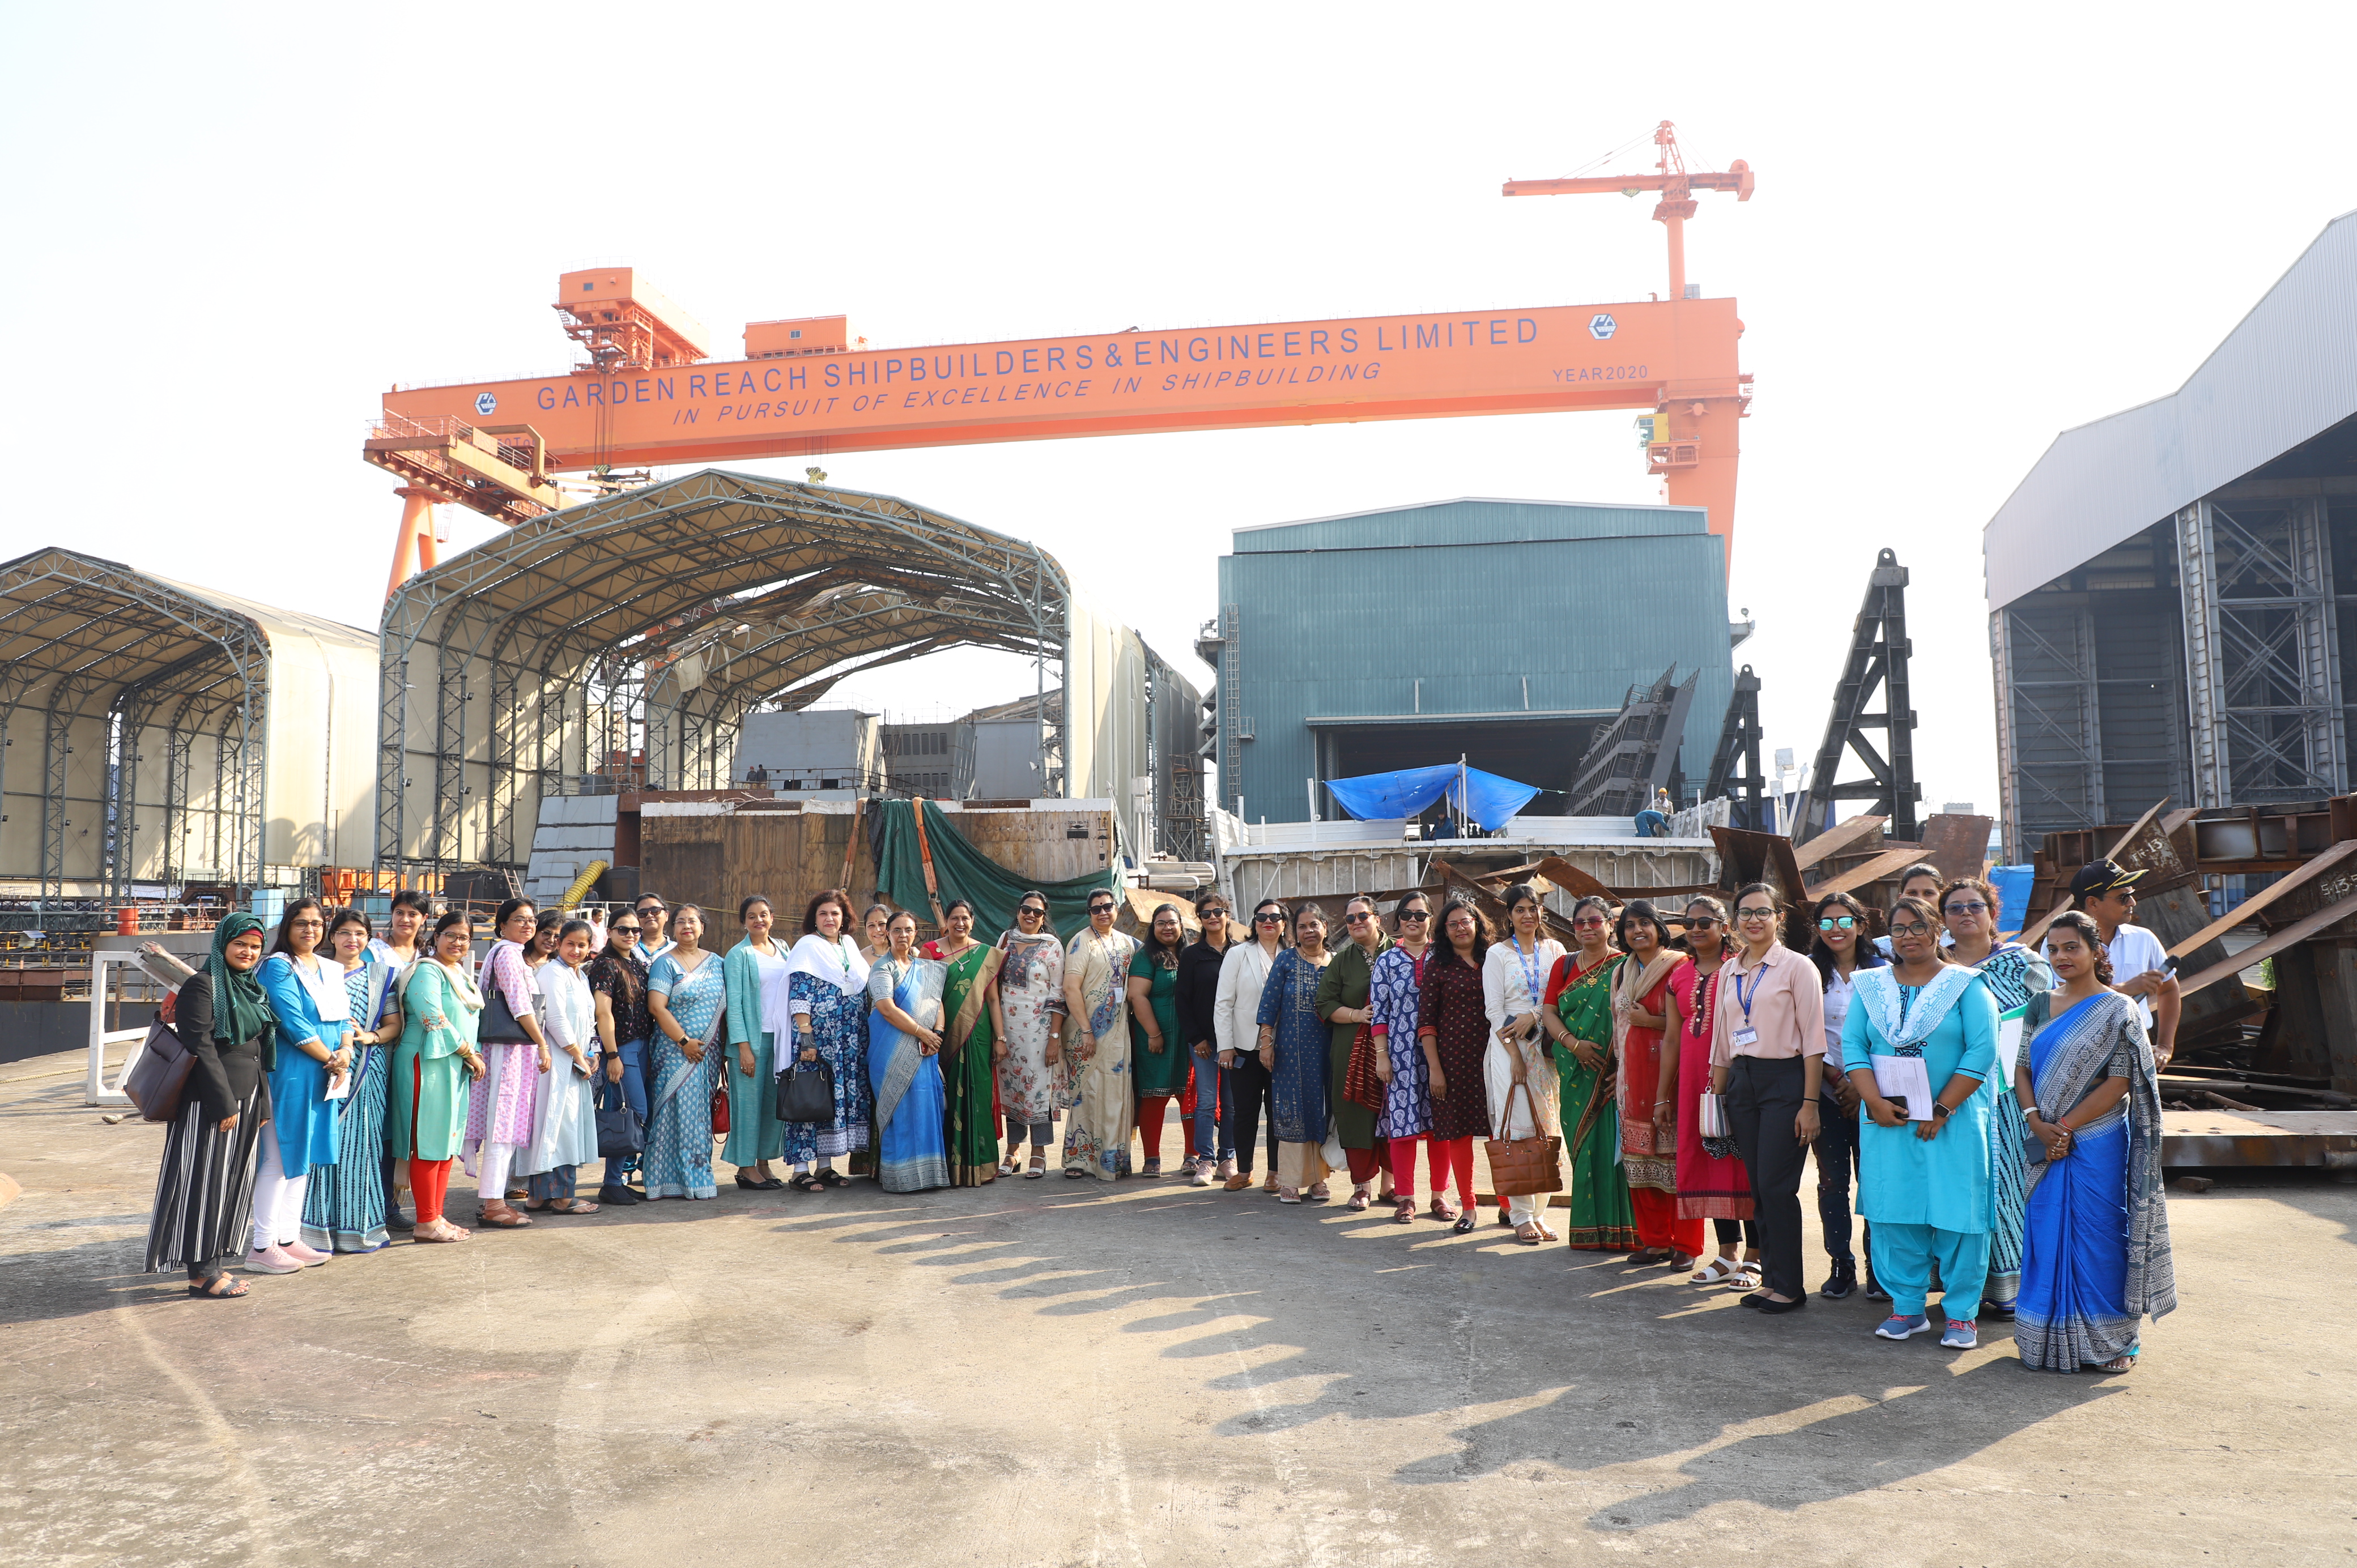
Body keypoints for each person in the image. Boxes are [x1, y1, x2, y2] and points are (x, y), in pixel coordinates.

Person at [2014, 911, 2177, 1373]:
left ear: (2095, 952)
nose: (2062, 956)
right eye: (2054, 949)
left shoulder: (2117, 1009)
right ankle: (2045, 1336)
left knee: (2101, 1233)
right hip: (2042, 1137)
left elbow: (2121, 1081)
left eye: (2072, 947)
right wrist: (2036, 1122)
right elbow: (2021, 1068)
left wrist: (2063, 1125)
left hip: (2097, 1138)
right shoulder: (2039, 1004)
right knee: (2046, 1232)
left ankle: (2112, 1342)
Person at [1844, 894, 1999, 1349]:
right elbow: (1853, 1044)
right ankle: (1908, 1308)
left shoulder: (1966, 985)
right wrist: (1872, 1101)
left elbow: (1982, 1049)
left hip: (1952, 1120)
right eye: (1898, 928)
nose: (1907, 936)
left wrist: (1942, 1108)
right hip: (1886, 1120)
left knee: (1959, 1214)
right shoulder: (1870, 986)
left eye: (1917, 927)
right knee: (1894, 1212)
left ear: (1937, 932)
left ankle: (1961, 1314)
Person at [1711, 884, 1826, 1314]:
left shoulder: (1797, 968)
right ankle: (1771, 1279)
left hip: (1785, 1081)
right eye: (1745, 913)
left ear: (1779, 917)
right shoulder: (1729, 971)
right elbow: (1723, 1041)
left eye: (1763, 912)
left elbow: (1814, 1042)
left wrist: (1809, 1104)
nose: (1754, 921)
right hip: (1742, 1082)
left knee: (1778, 1187)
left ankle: (1790, 1286)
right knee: (1758, 1187)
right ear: (1735, 921)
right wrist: (1717, 1096)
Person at [146, 914, 276, 1297]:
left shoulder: (250, 989)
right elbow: (200, 1046)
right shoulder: (203, 987)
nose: (248, 952)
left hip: (247, 1095)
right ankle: (202, 1273)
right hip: (211, 1100)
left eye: (255, 947)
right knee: (204, 1182)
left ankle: (212, 1265)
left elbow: (257, 1052)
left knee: (231, 1182)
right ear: (223, 945)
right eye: (241, 944)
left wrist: (262, 1106)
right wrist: (224, 1103)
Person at [1944, 875, 2054, 1319]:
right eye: (1955, 908)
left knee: (2009, 1185)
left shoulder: (2023, 964)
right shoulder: (1932, 967)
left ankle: (2009, 1288)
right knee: (1959, 1187)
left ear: (1992, 913)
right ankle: (1956, 1283)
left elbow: (2047, 1023)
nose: (1966, 913)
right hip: (1951, 1096)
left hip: (2011, 1096)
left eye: (1975, 905)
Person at [252, 898, 352, 1272]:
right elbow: (292, 1024)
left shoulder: (329, 967)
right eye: (301, 923)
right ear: (286, 927)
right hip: (293, 1069)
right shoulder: (277, 969)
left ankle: (289, 1238)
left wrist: (345, 1051)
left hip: (326, 1070)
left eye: (316, 923)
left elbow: (344, 1018)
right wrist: (331, 1057)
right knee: (279, 1158)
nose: (310, 930)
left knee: (305, 1157)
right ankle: (262, 1247)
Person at [1663, 896, 1757, 1286]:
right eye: (1690, 922)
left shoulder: (1741, 970)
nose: (1697, 929)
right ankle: (1727, 1255)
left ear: (1724, 925)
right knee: (1709, 1162)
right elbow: (1671, 1038)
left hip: (1737, 1080)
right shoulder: (1678, 975)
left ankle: (1755, 1257)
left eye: (1706, 921)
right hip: (1692, 1085)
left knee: (1744, 1164)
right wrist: (1660, 1096)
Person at [299, 908, 401, 1254]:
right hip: (321, 1066)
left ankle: (357, 1229)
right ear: (332, 936)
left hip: (366, 1073)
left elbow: (394, 1024)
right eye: (344, 932)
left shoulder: (380, 977)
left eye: (359, 933)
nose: (352, 940)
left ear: (369, 938)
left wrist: (370, 1038)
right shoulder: (317, 972)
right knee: (320, 1147)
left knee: (360, 1149)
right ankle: (314, 1231)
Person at [1539, 896, 1636, 1251]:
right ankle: (1587, 1233)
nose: (1587, 929)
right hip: (1576, 1071)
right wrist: (1572, 1043)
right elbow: (1549, 1012)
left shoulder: (1626, 965)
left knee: (1619, 1150)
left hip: (1617, 1075)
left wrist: (1625, 1070)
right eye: (1580, 923)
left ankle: (1624, 1232)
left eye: (1595, 921)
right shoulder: (1564, 967)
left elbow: (1635, 1019)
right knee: (1583, 1148)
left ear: (1611, 925)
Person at [390, 911, 486, 1244]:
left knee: (447, 1142)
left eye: (464, 938)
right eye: (451, 935)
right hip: (427, 1061)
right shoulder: (427, 972)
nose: (458, 942)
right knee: (428, 1143)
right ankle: (425, 1221)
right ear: (436, 936)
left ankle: (436, 1215)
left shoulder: (459, 974)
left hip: (454, 1064)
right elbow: (432, 1017)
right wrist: (469, 1053)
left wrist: (467, 1056)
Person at [1807, 890, 1884, 1300]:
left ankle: (1879, 1267)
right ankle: (1841, 1264)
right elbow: (1803, 1032)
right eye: (1826, 922)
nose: (1835, 930)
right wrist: (1837, 1078)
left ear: (1859, 924)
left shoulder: (1885, 971)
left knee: (1875, 1183)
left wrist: (1860, 1084)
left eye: (1843, 921)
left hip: (1874, 1093)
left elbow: (1893, 1033)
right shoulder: (1809, 972)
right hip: (1824, 1090)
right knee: (1832, 1182)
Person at [1610, 900, 1695, 1264]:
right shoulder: (1621, 972)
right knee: (1641, 1164)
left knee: (1677, 1165)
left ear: (1660, 928)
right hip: (1632, 1083)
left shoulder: (1679, 968)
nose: (1637, 931)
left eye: (1645, 923)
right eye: (1630, 926)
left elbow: (1693, 1026)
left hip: (1670, 1079)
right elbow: (1620, 1026)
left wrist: (1652, 1023)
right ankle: (1656, 1240)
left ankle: (1687, 1245)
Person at [1483, 883, 1564, 1244]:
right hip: (1508, 1049)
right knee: (1517, 1126)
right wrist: (1514, 1053)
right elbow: (1494, 1010)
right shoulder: (1497, 954)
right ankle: (1520, 1215)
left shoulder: (1556, 950)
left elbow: (1558, 997)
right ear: (1509, 915)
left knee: (1547, 1126)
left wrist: (1534, 1015)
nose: (1528, 915)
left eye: (1533, 908)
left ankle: (1541, 1213)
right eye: (1520, 910)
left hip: (1546, 1047)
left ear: (1541, 911)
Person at [782, 888, 874, 1189]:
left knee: (834, 1100)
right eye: (823, 913)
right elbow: (799, 994)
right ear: (814, 919)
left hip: (849, 1040)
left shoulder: (849, 945)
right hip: (819, 1040)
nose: (830, 918)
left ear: (844, 917)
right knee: (810, 1098)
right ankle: (800, 1170)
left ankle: (825, 1166)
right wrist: (806, 1035)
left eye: (835, 913)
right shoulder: (807, 947)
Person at [466, 898, 549, 1229]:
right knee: (503, 1122)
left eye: (531, 920)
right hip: (509, 1050)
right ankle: (493, 1204)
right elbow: (519, 1006)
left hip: (509, 1049)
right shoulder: (510, 955)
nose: (528, 925)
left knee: (505, 1122)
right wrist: (541, 1043)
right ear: (502, 925)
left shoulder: (509, 953)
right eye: (519, 920)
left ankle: (496, 1199)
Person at [1415, 899, 1494, 1233]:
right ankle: (1469, 1208)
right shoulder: (1438, 965)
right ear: (1444, 931)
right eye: (1453, 924)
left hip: (1498, 1059)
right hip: (1453, 1062)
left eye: (1466, 921)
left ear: (1477, 922)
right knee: (1459, 1137)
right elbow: (1427, 1022)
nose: (1461, 928)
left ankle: (1508, 1206)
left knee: (1501, 1132)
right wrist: (1435, 1068)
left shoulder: (1497, 958)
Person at [1314, 894, 1396, 1211]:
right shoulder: (1343, 960)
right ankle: (1362, 1187)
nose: (1357, 923)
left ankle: (1393, 1186)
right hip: (1351, 1049)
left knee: (1395, 1114)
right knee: (1356, 1114)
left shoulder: (1399, 952)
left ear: (1377, 918)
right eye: (1350, 919)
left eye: (1362, 916)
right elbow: (1324, 1003)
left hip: (1397, 1047)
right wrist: (1357, 1015)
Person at [867, 910, 951, 1192]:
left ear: (916, 933)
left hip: (926, 1051)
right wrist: (923, 1033)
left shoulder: (925, 967)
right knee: (900, 1113)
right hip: (890, 1053)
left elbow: (937, 1002)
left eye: (909, 930)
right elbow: (887, 1009)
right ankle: (899, 1179)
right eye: (897, 930)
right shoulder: (882, 968)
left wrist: (936, 1034)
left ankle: (929, 1176)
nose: (903, 935)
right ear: (887, 934)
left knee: (927, 1109)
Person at [521, 919, 602, 1214]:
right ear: (559, 944)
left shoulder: (580, 976)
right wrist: (578, 1056)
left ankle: (541, 1196)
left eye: (582, 945)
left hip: (575, 1060)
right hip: (557, 1062)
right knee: (556, 1126)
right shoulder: (553, 973)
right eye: (571, 944)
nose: (576, 950)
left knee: (559, 1126)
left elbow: (587, 1021)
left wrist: (591, 1053)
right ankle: (561, 1198)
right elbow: (555, 1020)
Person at [644, 904, 725, 1201]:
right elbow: (656, 1007)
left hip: (707, 1055)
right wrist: (684, 1041)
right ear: (673, 928)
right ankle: (665, 1181)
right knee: (671, 1115)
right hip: (674, 1050)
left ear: (703, 927)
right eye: (680, 922)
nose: (686, 926)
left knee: (699, 1116)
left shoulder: (718, 963)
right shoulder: (665, 963)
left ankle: (698, 1175)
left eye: (693, 921)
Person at [1370, 892, 1441, 1224]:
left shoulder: (1443, 956)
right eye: (1406, 915)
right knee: (1403, 1125)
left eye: (1421, 915)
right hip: (1399, 1054)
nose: (1413, 920)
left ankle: (1440, 1197)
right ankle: (1406, 1197)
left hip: (1442, 1053)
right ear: (1398, 920)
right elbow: (1380, 1013)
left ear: (1431, 919)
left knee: (1442, 1126)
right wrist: (1382, 1056)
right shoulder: (1386, 960)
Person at [364, 887, 432, 1232]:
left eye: (414, 914)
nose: (406, 919)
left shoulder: (428, 955)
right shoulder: (373, 950)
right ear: (391, 915)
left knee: (404, 1127)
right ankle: (374, 1204)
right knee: (379, 1128)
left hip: (418, 1048)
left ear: (423, 919)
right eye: (400, 912)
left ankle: (393, 1203)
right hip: (379, 1048)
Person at [1257, 902, 1335, 1203]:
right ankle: (1289, 1180)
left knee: (1321, 1110)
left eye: (1314, 925)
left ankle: (1318, 1180)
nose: (1309, 931)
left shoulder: (1336, 962)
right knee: (1290, 1111)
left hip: (1327, 1052)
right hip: (1289, 1052)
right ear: (1295, 932)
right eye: (1302, 926)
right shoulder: (1287, 960)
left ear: (1325, 928)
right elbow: (1269, 1004)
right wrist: (1266, 1043)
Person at [2069, 859, 2180, 1067]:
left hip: (2137, 1046)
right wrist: (2124, 990)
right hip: (2083, 1051)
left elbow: (2169, 990)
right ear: (2093, 903)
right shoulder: (2063, 945)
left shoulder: (2144, 938)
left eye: (2131, 894)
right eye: (2123, 897)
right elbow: (2062, 1001)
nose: (2132, 902)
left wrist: (2165, 1046)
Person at [1060, 888, 1138, 1181]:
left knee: (1116, 1094)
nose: (1103, 912)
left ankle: (1114, 1159)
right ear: (1089, 913)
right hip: (1087, 1033)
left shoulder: (1126, 943)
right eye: (1096, 909)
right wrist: (1086, 1031)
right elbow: (1070, 989)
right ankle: (1079, 1159)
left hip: (1119, 1033)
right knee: (1088, 1094)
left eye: (1108, 906)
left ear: (1116, 909)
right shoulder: (1081, 942)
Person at [929, 896, 1006, 1186]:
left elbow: (993, 999)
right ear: (945, 922)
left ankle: (982, 1165)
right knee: (945, 1100)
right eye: (954, 918)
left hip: (979, 1035)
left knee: (978, 1095)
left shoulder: (985, 954)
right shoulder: (931, 951)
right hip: (943, 1035)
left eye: (965, 918)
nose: (960, 923)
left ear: (972, 921)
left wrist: (1000, 1038)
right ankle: (948, 1167)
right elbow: (927, 996)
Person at [1215, 897, 1286, 1191]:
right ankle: (1244, 1171)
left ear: (1284, 923)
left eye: (1275, 917)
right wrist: (1226, 1045)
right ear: (1254, 922)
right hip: (1244, 1047)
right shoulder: (1238, 954)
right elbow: (1223, 1003)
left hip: (1284, 1048)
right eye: (1261, 917)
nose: (1268, 921)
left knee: (1277, 1111)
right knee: (1244, 1111)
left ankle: (1275, 1172)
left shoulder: (1293, 955)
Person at [994, 893, 1065, 1178]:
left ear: (1044, 917)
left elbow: (1058, 993)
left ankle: (1039, 1152)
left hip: (1039, 1032)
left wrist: (1054, 1038)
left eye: (1038, 913)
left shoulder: (1053, 947)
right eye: (1027, 910)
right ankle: (1013, 1152)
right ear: (1019, 912)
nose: (1031, 916)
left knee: (1038, 1092)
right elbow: (994, 984)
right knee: (1012, 1089)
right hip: (1008, 1031)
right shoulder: (1004, 940)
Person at [722, 895, 790, 1190]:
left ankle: (763, 1162)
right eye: (752, 916)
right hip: (751, 1041)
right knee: (748, 1106)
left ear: (772, 918)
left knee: (773, 1105)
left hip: (780, 1038)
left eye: (764, 915)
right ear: (744, 922)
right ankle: (746, 1168)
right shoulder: (739, 954)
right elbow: (733, 1005)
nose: (759, 920)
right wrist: (743, 1047)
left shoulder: (784, 949)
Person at [587, 910, 652, 1205]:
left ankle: (613, 1182)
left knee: (621, 1111)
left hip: (640, 1045)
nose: (631, 935)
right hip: (622, 1048)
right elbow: (603, 1012)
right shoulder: (606, 964)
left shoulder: (634, 962)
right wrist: (612, 1055)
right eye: (623, 930)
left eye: (636, 930)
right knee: (637, 1111)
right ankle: (613, 1181)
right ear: (610, 931)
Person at [1173, 889, 1233, 1187]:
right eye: (1206, 914)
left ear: (1227, 915)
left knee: (1234, 1103)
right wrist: (1197, 1038)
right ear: (1200, 919)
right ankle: (1206, 1160)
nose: (1212, 917)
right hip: (1205, 1042)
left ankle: (1228, 1158)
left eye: (1217, 912)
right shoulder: (1192, 955)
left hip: (1237, 1041)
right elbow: (1183, 1000)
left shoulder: (1240, 951)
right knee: (1207, 1101)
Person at [1126, 902, 1189, 1178]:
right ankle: (1152, 1157)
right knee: (1153, 1096)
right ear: (1153, 927)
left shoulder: (1192, 955)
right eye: (1161, 923)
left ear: (1181, 926)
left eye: (1172, 922)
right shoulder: (1146, 957)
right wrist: (1154, 1033)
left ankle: (1193, 1155)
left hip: (1191, 1038)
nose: (1167, 928)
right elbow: (1137, 996)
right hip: (1155, 1038)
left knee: (1191, 1097)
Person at [1873, 864, 1948, 956]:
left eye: (1928, 893)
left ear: (1941, 897)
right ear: (1900, 898)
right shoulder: (1881, 948)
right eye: (1912, 893)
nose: (1920, 899)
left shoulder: (1955, 942)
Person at [636, 894, 675, 964]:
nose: (649, 915)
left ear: (666, 915)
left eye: (655, 910)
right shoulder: (629, 947)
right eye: (643, 913)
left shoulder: (676, 949)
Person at [861, 902, 895, 966]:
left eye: (882, 924)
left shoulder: (906, 954)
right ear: (866, 928)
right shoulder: (860, 958)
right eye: (871, 925)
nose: (877, 930)